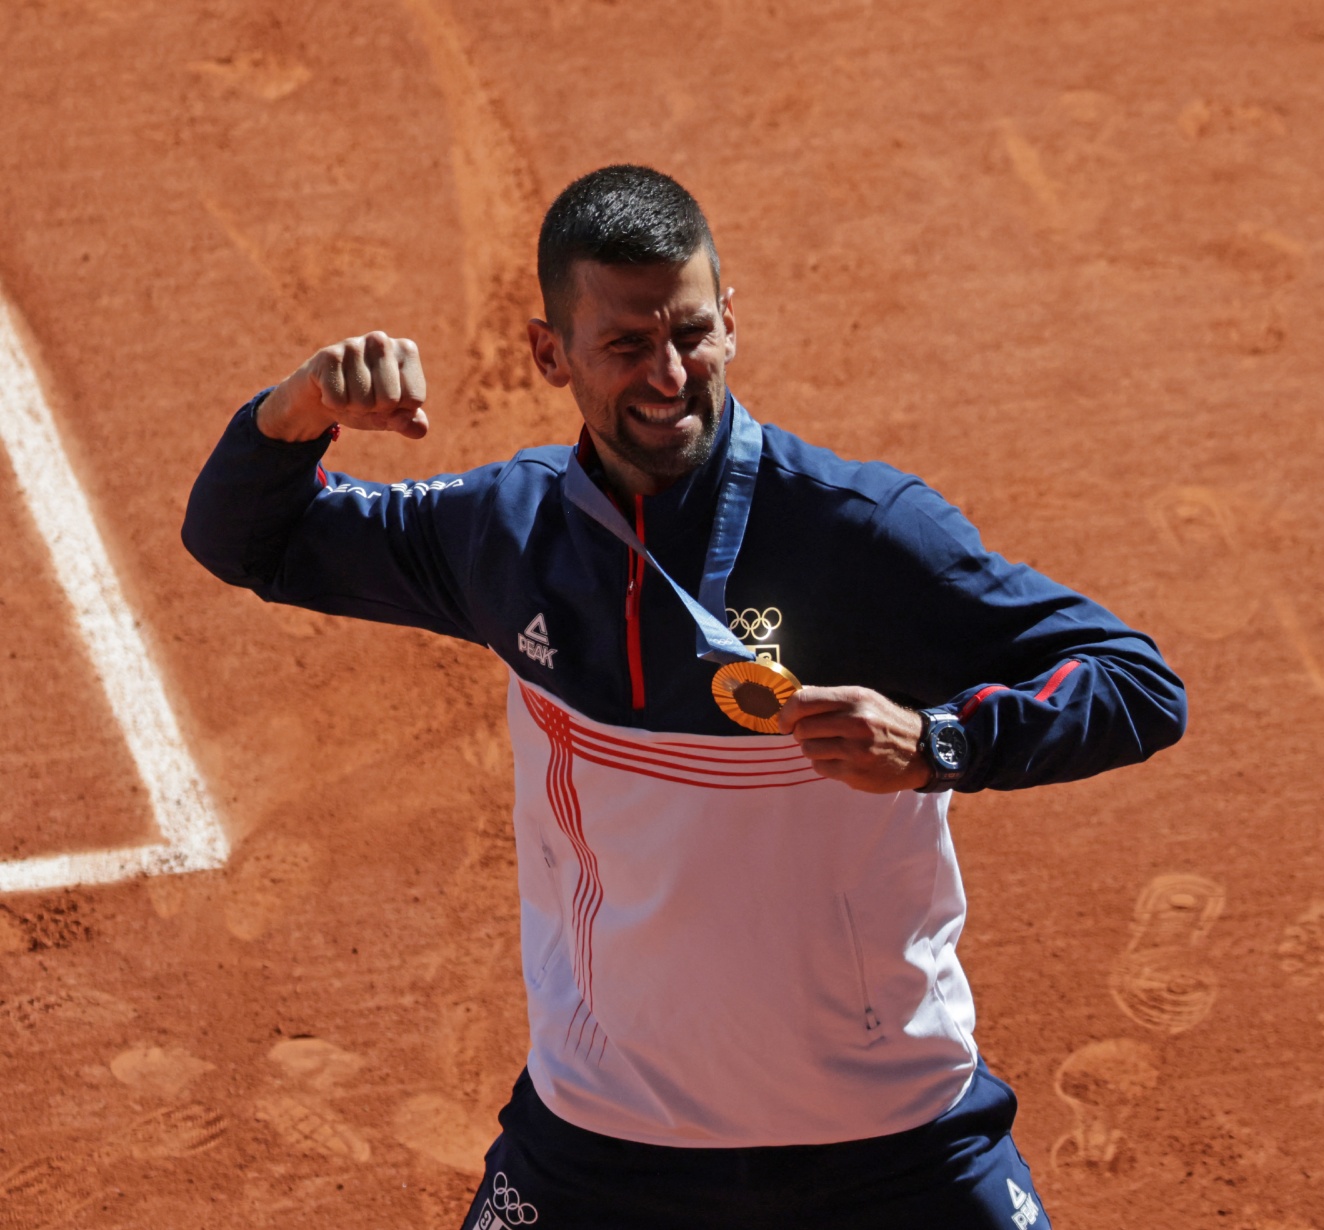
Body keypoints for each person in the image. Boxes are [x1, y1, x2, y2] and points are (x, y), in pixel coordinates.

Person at [182, 164, 1186, 1229]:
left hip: (889, 1135)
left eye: (694, 332)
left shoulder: (862, 532)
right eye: (626, 346)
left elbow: (1138, 682)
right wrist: (294, 413)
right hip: (608, 1136)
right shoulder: (508, 535)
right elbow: (250, 538)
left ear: (732, 322)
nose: (670, 375)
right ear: (548, 354)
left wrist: (940, 741)